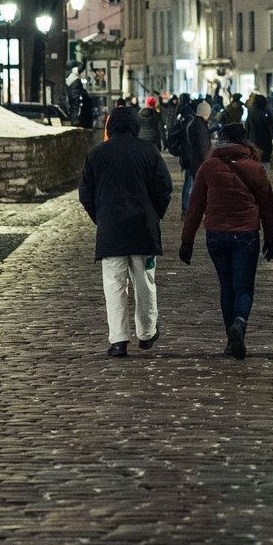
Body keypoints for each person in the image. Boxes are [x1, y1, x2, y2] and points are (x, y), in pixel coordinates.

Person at [181, 121, 273, 360]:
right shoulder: (256, 168)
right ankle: (240, 323)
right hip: (246, 234)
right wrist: (272, 237)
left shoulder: (209, 167)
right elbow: (267, 206)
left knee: (226, 286)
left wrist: (187, 241)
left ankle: (229, 339)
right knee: (243, 287)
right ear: (245, 142)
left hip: (215, 234)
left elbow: (195, 207)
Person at [79, 106, 172, 357]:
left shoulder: (97, 155)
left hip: (111, 230)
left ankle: (118, 339)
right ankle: (147, 332)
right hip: (143, 228)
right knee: (145, 283)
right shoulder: (149, 151)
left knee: (114, 286)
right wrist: (155, 215)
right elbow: (164, 188)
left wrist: (100, 218)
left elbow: (85, 194)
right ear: (135, 126)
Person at [176, 100, 214, 213]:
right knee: (198, 188)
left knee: (195, 187)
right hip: (198, 162)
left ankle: (193, 210)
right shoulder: (200, 126)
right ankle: (194, 211)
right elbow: (203, 147)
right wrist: (208, 161)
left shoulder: (194, 123)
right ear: (205, 113)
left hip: (194, 160)